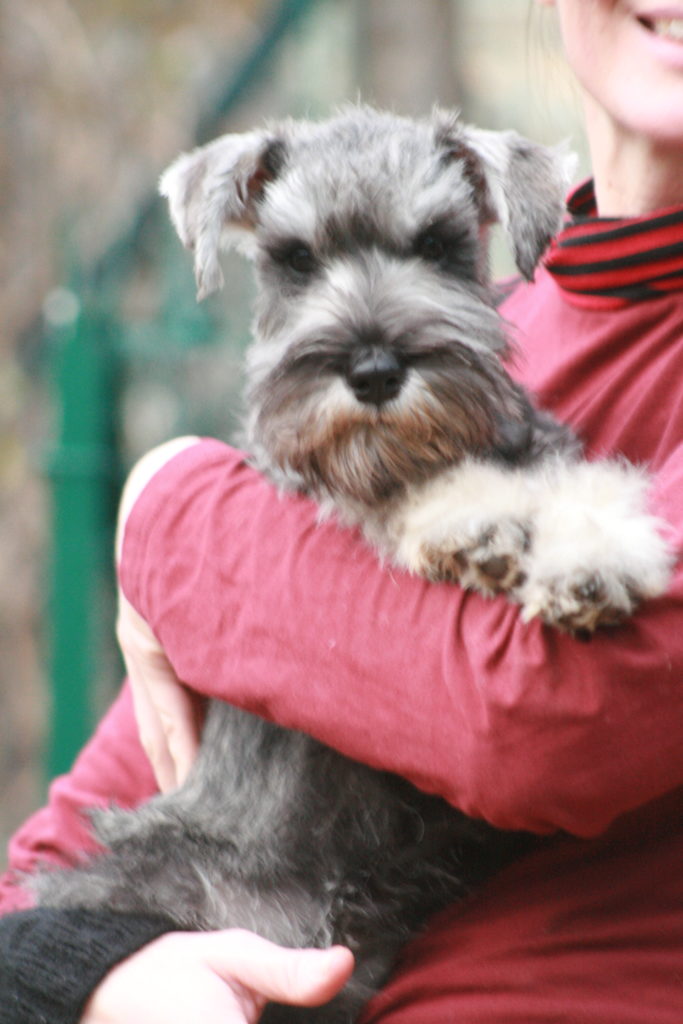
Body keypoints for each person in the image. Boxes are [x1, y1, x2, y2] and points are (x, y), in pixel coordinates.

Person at [2, 0, 683, 1020]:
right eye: (298, 263)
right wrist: (102, 976)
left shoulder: (219, 507)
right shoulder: (492, 343)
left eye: (434, 252)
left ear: (489, 221)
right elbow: (46, 868)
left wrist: (170, 512)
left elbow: (536, 720)